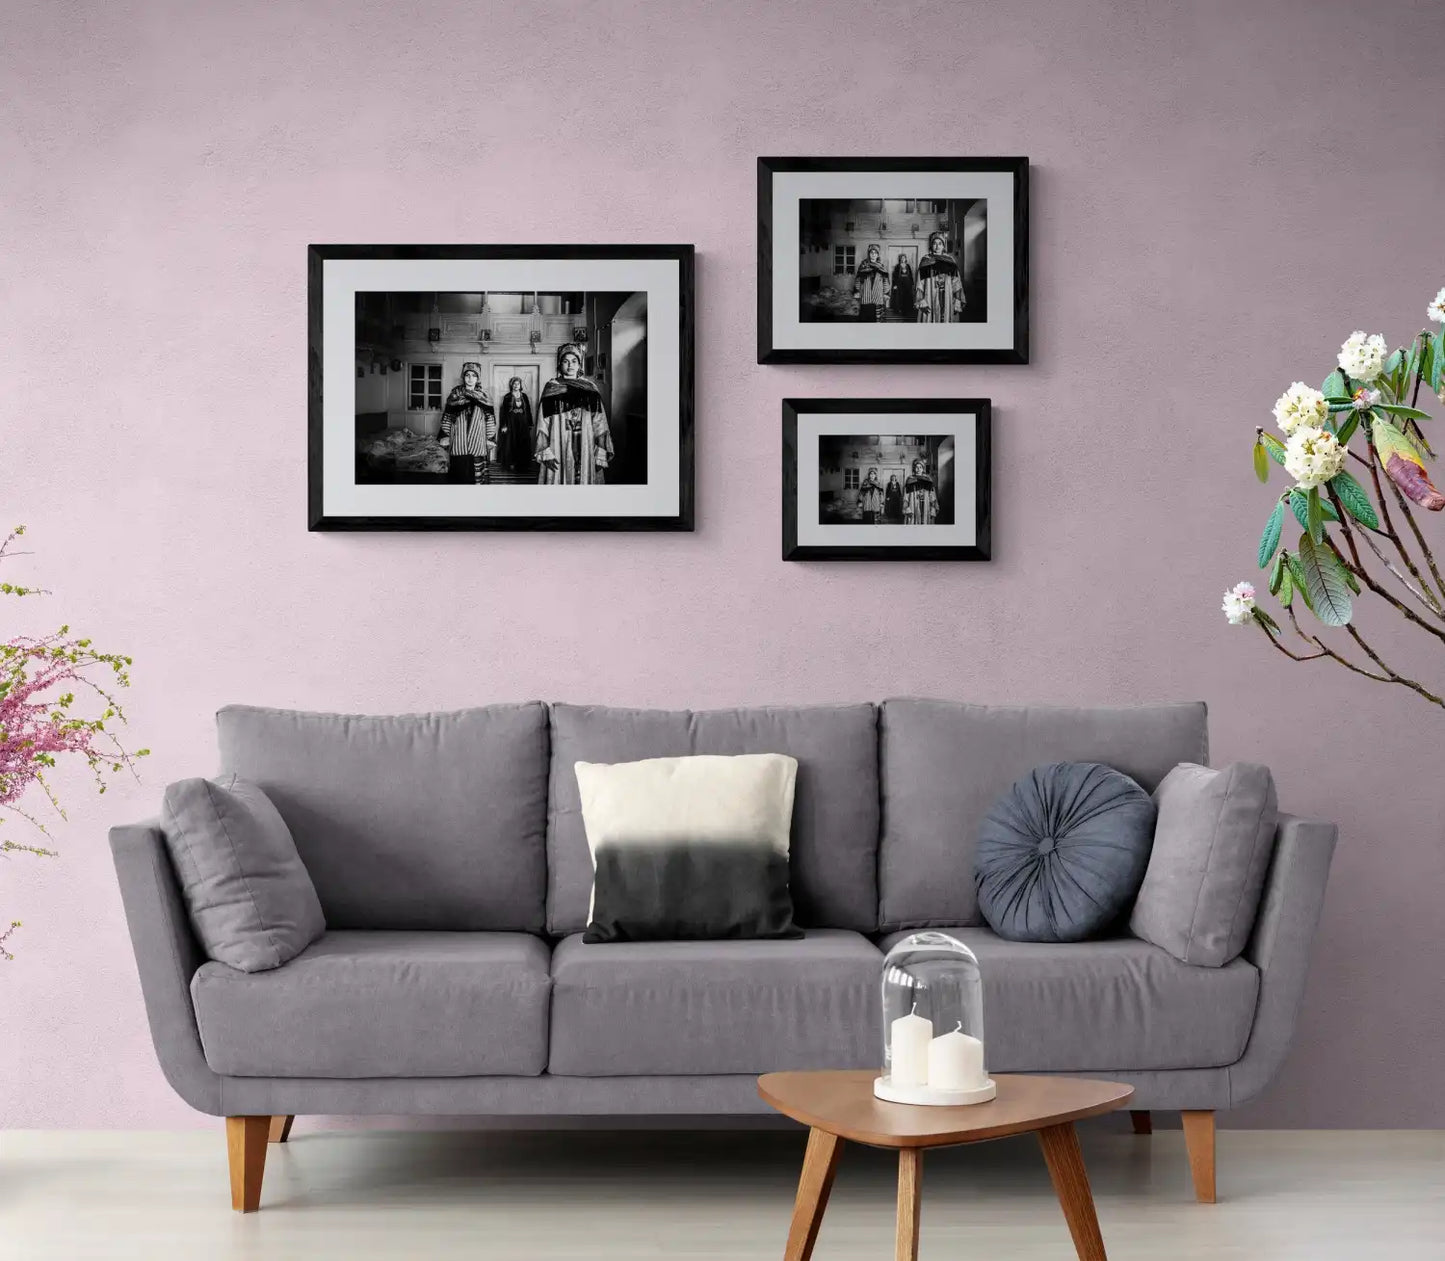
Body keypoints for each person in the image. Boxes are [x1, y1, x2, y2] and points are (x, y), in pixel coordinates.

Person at [535, 342, 613, 485]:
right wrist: (545, 452)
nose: (570, 365)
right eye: (565, 361)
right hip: (557, 445)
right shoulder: (551, 389)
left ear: (579, 365)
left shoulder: (590, 389)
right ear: (560, 364)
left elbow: (600, 422)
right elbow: (542, 422)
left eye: (574, 361)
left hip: (586, 445)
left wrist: (601, 452)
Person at [438, 362, 495, 484]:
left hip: (478, 439)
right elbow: (447, 417)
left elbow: (490, 418)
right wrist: (445, 435)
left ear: (477, 378)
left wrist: (490, 438)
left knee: (476, 475)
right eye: (467, 375)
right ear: (463, 377)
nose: (470, 378)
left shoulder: (484, 396)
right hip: (458, 439)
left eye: (473, 375)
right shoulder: (455, 395)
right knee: (459, 474)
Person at [915, 231, 964, 323]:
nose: (937, 246)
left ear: (943, 246)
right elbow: (920, 282)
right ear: (931, 245)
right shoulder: (925, 261)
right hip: (929, 295)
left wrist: (957, 300)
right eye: (934, 243)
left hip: (947, 295)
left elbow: (956, 281)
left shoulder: (950, 261)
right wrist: (921, 300)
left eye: (940, 243)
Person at [496, 376, 534, 474]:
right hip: (511, 423)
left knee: (523, 443)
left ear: (520, 385)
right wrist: (504, 425)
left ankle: (522, 465)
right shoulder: (507, 397)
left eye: (518, 384)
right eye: (514, 383)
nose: (516, 385)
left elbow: (528, 410)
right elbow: (504, 412)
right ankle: (511, 464)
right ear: (511, 385)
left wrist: (529, 423)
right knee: (511, 442)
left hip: (523, 423)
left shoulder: (524, 396)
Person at [853, 244, 890, 322]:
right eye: (871, 253)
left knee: (876, 320)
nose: (873, 255)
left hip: (878, 296)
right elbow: (858, 280)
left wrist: (886, 293)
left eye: (875, 253)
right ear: (869, 254)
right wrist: (857, 291)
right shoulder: (863, 266)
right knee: (865, 320)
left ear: (878, 255)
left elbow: (885, 281)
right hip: (866, 296)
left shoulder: (881, 267)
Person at [903, 457, 938, 524]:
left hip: (926, 505)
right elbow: (906, 496)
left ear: (923, 469)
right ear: (914, 468)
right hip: (913, 505)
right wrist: (907, 508)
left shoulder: (928, 480)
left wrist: (933, 507)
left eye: (920, 467)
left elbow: (932, 495)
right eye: (916, 467)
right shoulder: (910, 480)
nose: (918, 469)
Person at [890, 255, 914, 320]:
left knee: (907, 297)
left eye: (904, 258)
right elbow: (895, 276)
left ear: (906, 259)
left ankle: (906, 311)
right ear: (900, 259)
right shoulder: (897, 266)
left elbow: (911, 275)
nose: (903, 259)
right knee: (900, 297)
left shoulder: (908, 266)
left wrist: (912, 283)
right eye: (901, 258)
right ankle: (899, 310)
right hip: (899, 284)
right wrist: (895, 284)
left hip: (907, 284)